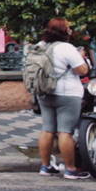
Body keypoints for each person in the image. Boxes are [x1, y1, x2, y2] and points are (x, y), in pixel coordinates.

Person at [35, 18, 90, 179]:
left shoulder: (40, 46)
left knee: (47, 130)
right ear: (64, 31)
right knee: (65, 132)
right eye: (68, 27)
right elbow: (82, 70)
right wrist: (81, 57)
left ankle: (45, 167)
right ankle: (71, 169)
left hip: (44, 92)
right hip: (67, 94)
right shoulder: (67, 48)